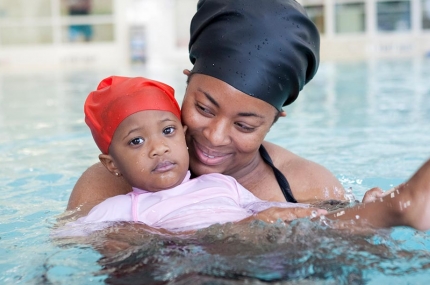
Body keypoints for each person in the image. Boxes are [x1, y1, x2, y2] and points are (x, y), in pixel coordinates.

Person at [66, 0, 430, 230]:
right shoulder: (109, 182)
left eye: (244, 124)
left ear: (274, 121)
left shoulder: (306, 186)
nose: (215, 136)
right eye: (203, 108)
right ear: (186, 85)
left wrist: (367, 224)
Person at [63, 75, 312, 234]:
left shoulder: (222, 184)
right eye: (136, 141)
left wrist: (297, 214)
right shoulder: (123, 208)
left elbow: (265, 209)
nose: (159, 148)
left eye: (168, 131)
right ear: (112, 164)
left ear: (183, 137)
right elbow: (67, 237)